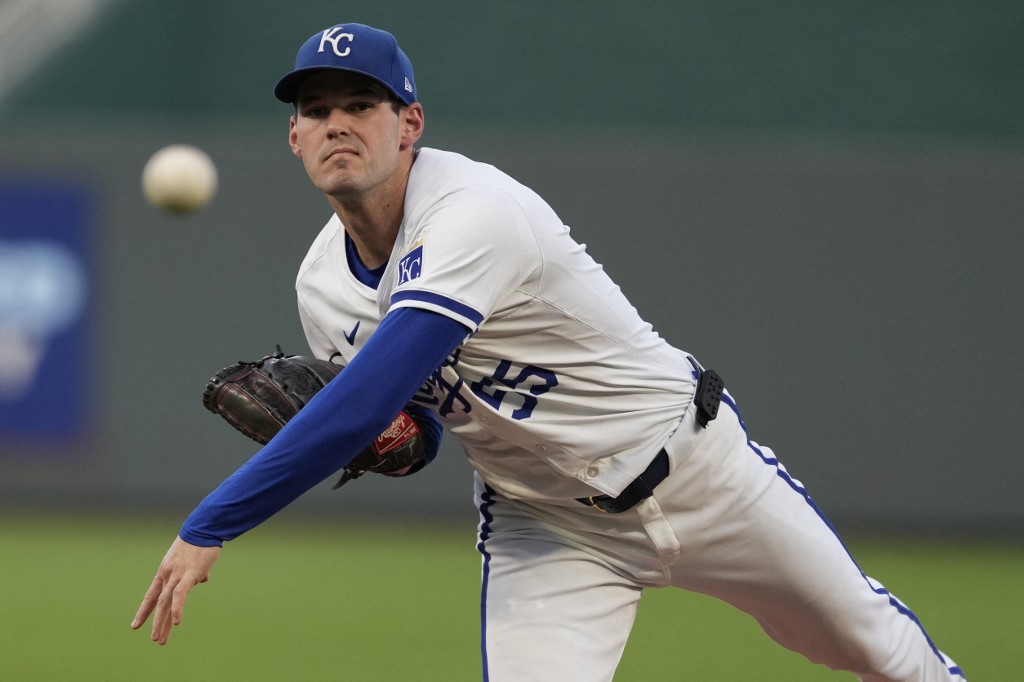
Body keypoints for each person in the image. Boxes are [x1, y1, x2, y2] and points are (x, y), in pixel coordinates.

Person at [131, 22, 965, 681]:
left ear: (410, 122)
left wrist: (215, 522)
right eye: (316, 109)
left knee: (880, 654)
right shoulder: (322, 286)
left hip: (697, 472)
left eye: (361, 101)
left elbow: (370, 389)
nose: (336, 122)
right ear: (293, 138)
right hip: (548, 527)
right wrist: (387, 438)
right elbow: (413, 430)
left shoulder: (474, 211)